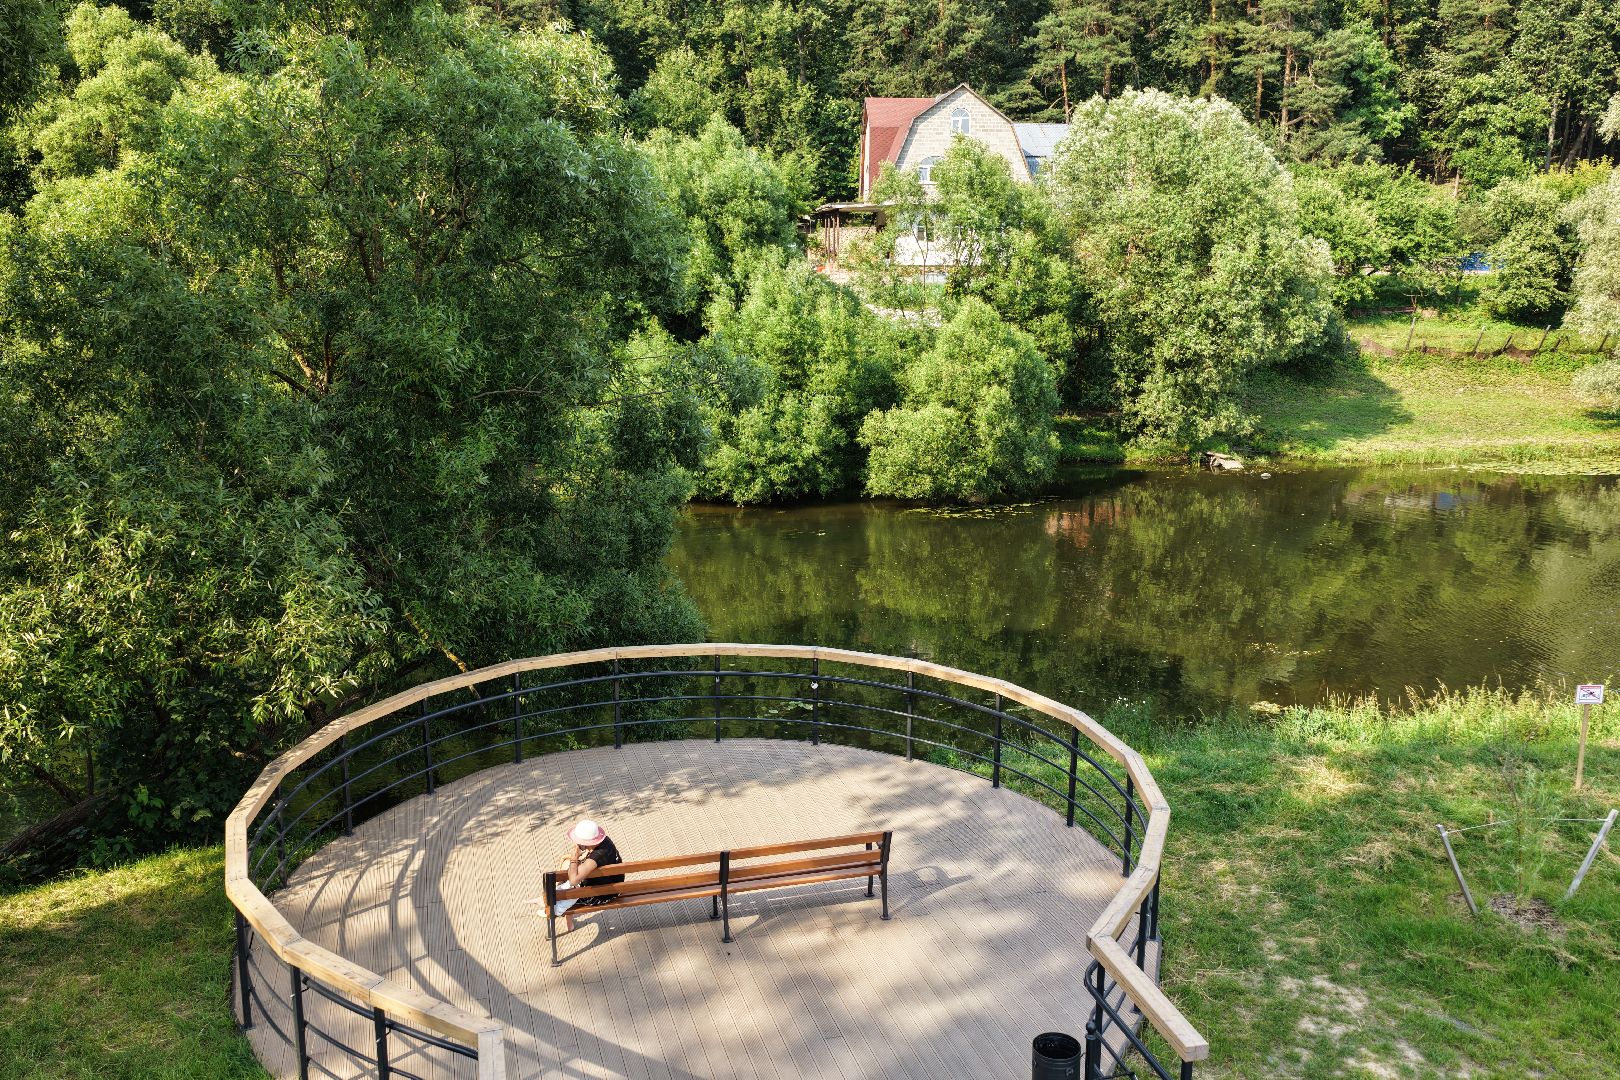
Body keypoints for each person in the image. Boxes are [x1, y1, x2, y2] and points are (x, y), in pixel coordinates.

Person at [552, 819, 624, 932]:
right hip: (615, 884)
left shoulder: (597, 857)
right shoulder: (605, 841)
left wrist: (574, 858)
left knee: (567, 893)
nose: (577, 843)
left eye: (579, 841)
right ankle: (567, 920)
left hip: (604, 894)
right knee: (568, 878)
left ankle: (565, 918)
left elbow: (574, 880)